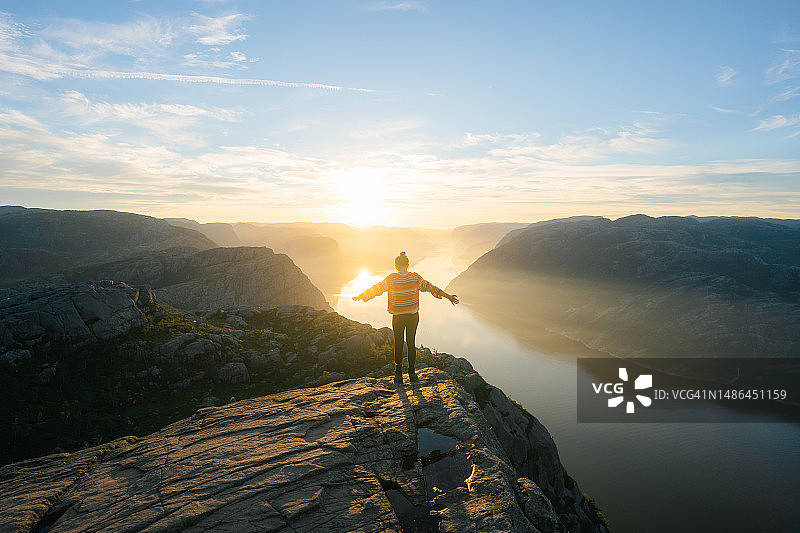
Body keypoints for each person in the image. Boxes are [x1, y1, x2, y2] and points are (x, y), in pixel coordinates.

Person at [352, 251, 459, 384]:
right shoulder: (415, 278)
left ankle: (398, 375)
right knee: (411, 343)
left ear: (396, 266)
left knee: (398, 344)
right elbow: (431, 288)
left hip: (398, 317)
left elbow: (376, 289)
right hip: (413, 316)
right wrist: (448, 296)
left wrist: (362, 296)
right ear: (408, 265)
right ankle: (412, 374)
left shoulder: (391, 279)